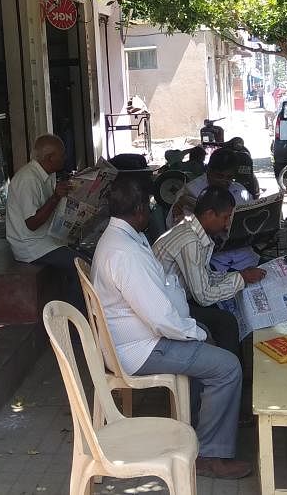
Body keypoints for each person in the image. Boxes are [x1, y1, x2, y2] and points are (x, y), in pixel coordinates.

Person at [92, 178, 251, 480]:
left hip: (136, 338)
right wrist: (195, 333)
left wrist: (192, 330)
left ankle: (193, 426)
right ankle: (209, 455)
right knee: (227, 366)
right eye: (150, 207)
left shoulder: (119, 239)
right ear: (139, 210)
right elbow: (161, 319)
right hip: (140, 348)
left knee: (207, 344)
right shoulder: (125, 253)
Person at [153, 186, 266, 360]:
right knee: (226, 321)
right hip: (168, 308)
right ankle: (230, 372)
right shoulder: (189, 240)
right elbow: (203, 296)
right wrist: (240, 279)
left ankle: (236, 369)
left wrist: (240, 276)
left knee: (229, 303)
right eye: (226, 217)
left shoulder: (192, 230)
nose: (228, 224)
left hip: (179, 297)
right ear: (209, 214)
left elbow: (205, 276)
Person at [5, 134, 87, 308]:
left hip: (48, 238)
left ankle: (75, 309)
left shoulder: (48, 174)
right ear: (50, 158)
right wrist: (56, 197)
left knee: (87, 255)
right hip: (31, 245)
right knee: (80, 267)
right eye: (62, 155)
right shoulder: (28, 179)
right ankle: (75, 323)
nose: (65, 158)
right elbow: (32, 223)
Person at [167, 150, 260, 279]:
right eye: (219, 176)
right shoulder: (191, 191)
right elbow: (177, 229)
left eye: (229, 178)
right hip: (210, 258)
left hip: (243, 255)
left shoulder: (240, 191)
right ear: (208, 171)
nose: (224, 182)